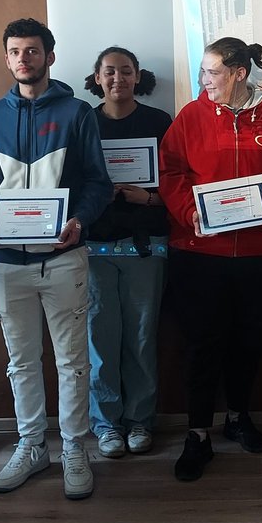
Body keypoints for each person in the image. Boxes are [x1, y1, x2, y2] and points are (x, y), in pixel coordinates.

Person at [0, 18, 112, 499]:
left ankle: (74, 447)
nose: (23, 59)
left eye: (32, 51)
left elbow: (98, 183)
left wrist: (80, 221)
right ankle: (33, 445)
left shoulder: (77, 113)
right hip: (8, 260)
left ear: (49, 56)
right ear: (7, 58)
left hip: (65, 256)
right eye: (15, 52)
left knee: (73, 362)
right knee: (21, 362)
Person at [158, 37, 262, 481]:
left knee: (249, 341)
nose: (205, 80)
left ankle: (238, 417)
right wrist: (188, 212)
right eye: (202, 72)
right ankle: (198, 433)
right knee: (201, 345)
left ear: (239, 73)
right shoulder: (190, 117)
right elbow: (171, 171)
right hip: (199, 254)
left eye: (213, 72)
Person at [81, 47, 173, 458]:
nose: (117, 78)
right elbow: (74, 181)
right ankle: (106, 425)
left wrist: (148, 199)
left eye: (126, 71)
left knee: (140, 338)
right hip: (94, 248)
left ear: (138, 77)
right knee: (101, 341)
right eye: (109, 72)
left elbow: (174, 184)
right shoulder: (83, 122)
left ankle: (139, 421)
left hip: (145, 247)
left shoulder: (159, 122)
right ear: (97, 78)